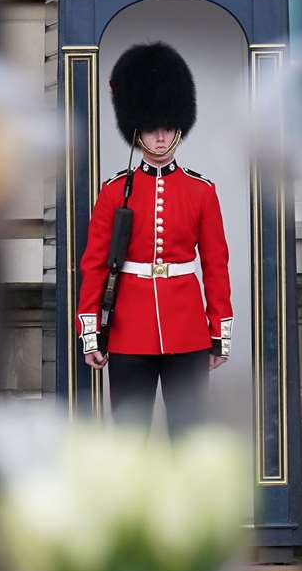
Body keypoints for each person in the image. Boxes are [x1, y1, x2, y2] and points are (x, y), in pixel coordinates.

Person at [77, 41, 232, 437]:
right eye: (152, 129)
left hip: (188, 331)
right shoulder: (114, 191)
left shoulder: (202, 192)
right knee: (130, 439)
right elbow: (94, 262)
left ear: (178, 127)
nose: (160, 138)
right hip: (130, 329)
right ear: (138, 130)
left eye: (166, 128)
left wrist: (219, 332)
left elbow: (216, 264)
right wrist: (91, 329)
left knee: (189, 436)